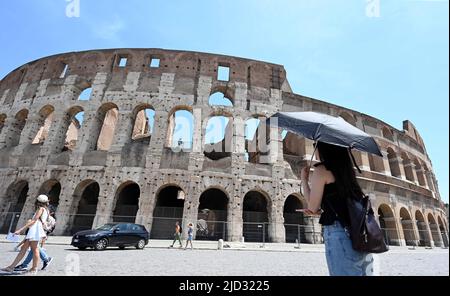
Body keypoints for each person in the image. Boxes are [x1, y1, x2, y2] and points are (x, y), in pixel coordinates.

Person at [301, 141, 374, 276]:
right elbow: (344, 205)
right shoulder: (348, 172)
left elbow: (312, 206)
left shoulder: (321, 170)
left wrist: (304, 180)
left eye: (315, 145)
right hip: (359, 234)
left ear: (324, 148)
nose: (314, 149)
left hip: (339, 234)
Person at [1, 195, 50, 274]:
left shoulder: (40, 209)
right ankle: (11, 267)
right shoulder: (46, 210)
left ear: (38, 201)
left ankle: (34, 268)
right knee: (24, 248)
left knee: (35, 249)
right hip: (35, 229)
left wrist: (21, 229)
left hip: (35, 229)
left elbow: (34, 220)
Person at [14, 205, 56, 272]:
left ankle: (26, 265)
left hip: (39, 233)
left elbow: (47, 227)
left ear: (51, 212)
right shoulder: (46, 217)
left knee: (34, 249)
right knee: (34, 249)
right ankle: (27, 264)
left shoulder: (49, 218)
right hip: (38, 233)